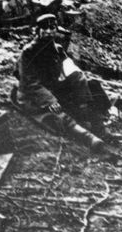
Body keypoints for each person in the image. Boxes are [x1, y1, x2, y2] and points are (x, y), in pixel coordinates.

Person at [16, 14, 112, 150]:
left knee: (90, 84)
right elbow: (30, 82)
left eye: (52, 28)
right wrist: (50, 100)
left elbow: (71, 69)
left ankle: (98, 125)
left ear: (56, 29)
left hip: (52, 88)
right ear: (37, 30)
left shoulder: (57, 49)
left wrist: (82, 94)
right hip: (33, 95)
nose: (49, 32)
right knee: (55, 114)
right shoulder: (28, 52)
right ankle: (87, 137)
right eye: (44, 28)